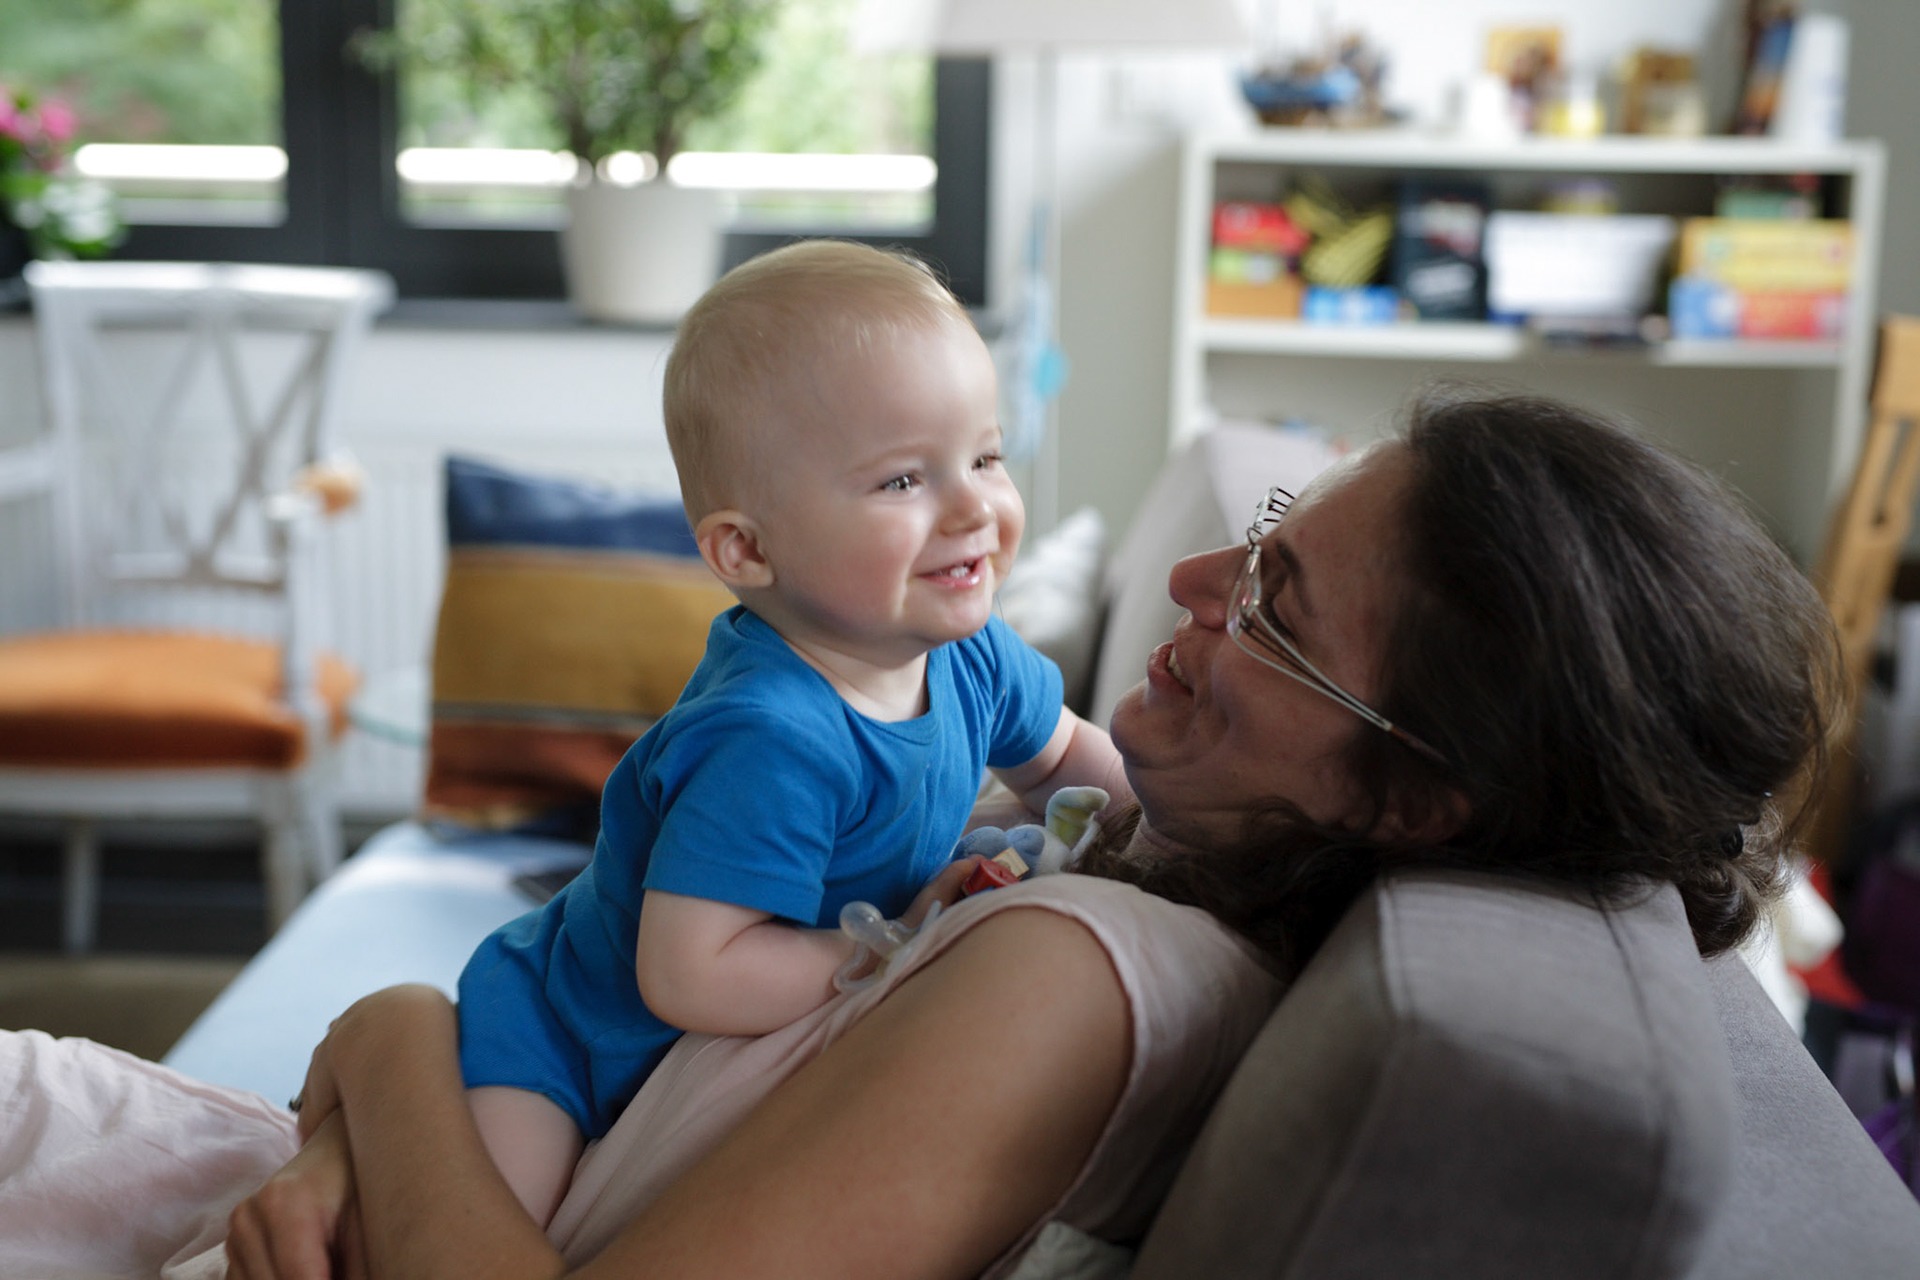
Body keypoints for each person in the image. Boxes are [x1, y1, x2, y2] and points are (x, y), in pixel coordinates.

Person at [0, 391, 1839, 1280]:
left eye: (1276, 604)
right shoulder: (1113, 871)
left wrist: (395, 1049)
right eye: (1268, 520)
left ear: (1414, 797)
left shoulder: (1078, 978)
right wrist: (355, 1140)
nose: (1196, 580)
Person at [454, 239, 1128, 1223]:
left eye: (984, 455)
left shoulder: (971, 652)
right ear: (748, 547)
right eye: (904, 480)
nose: (975, 504)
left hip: (680, 1057)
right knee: (489, 1232)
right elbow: (691, 969)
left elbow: (1070, 760)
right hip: (559, 1039)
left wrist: (1160, 831)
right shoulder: (769, 735)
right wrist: (899, 946)